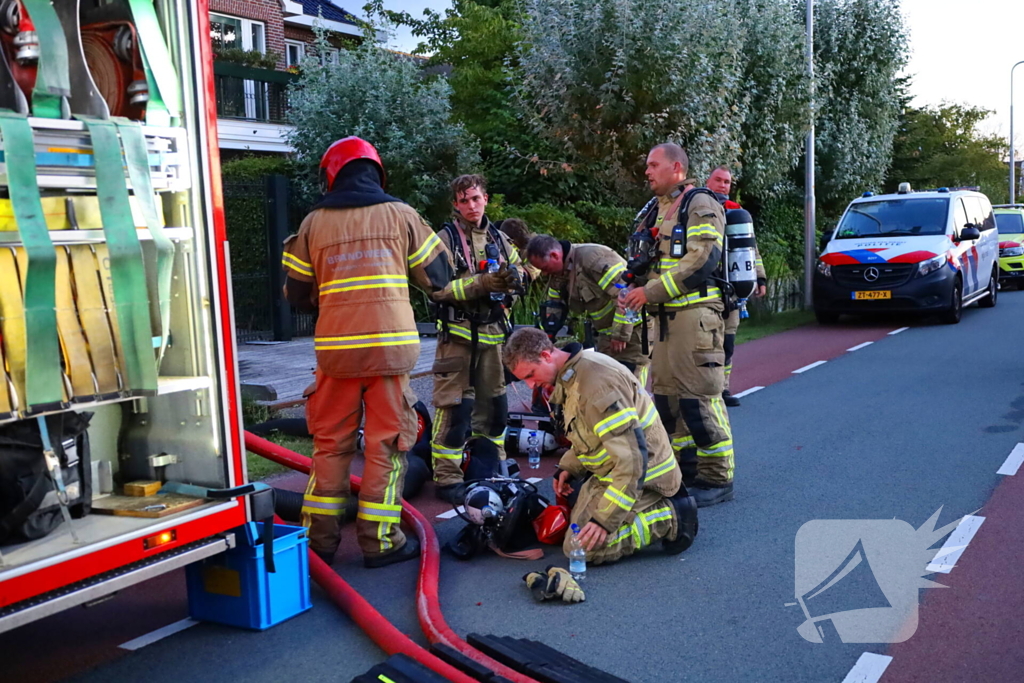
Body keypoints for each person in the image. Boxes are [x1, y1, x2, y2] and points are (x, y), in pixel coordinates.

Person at [281, 136, 452, 568]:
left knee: (331, 447)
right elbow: (439, 275)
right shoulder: (402, 215)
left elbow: (297, 294)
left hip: (337, 353)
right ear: (377, 172)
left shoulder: (313, 223)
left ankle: (318, 542)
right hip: (390, 353)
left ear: (332, 174)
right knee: (386, 448)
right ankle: (380, 542)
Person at [503, 327, 697, 564]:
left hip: (645, 479)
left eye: (531, 375)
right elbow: (588, 435)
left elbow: (632, 460)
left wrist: (605, 521)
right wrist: (568, 467)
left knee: (580, 549)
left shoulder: (596, 384)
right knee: (573, 527)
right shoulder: (572, 375)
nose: (531, 386)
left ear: (546, 355)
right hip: (610, 472)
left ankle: (670, 516)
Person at [622, 143, 737, 507]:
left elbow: (702, 258)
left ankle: (718, 477)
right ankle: (688, 470)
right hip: (665, 321)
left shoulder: (700, 204)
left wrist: (650, 291)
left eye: (653, 165)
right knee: (670, 403)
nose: (647, 171)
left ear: (676, 168)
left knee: (700, 399)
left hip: (694, 317)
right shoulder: (657, 209)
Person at [429, 174, 525, 503]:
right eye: (464, 200)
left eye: (476, 198)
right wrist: (482, 284)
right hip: (458, 340)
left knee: (496, 410)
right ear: (455, 204)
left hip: (494, 337)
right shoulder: (444, 239)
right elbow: (438, 288)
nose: (472, 205)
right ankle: (447, 479)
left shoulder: (499, 236)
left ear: (486, 199)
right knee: (456, 412)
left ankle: (491, 469)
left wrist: (515, 277)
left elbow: (520, 270)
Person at [524, 233, 652, 385]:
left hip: (633, 331)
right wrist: (548, 336)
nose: (544, 273)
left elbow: (626, 295)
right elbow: (554, 305)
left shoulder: (593, 259)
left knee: (630, 383)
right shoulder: (558, 272)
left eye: (544, 268)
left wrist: (620, 334)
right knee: (608, 384)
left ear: (554, 255)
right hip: (606, 335)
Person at [705, 166, 767, 407]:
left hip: (732, 290)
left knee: (727, 343)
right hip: (706, 288)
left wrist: (759, 278)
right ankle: (707, 389)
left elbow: (751, 249)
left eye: (727, 182)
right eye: (718, 180)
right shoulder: (698, 210)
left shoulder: (737, 213)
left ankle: (723, 388)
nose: (723, 185)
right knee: (707, 343)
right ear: (707, 182)